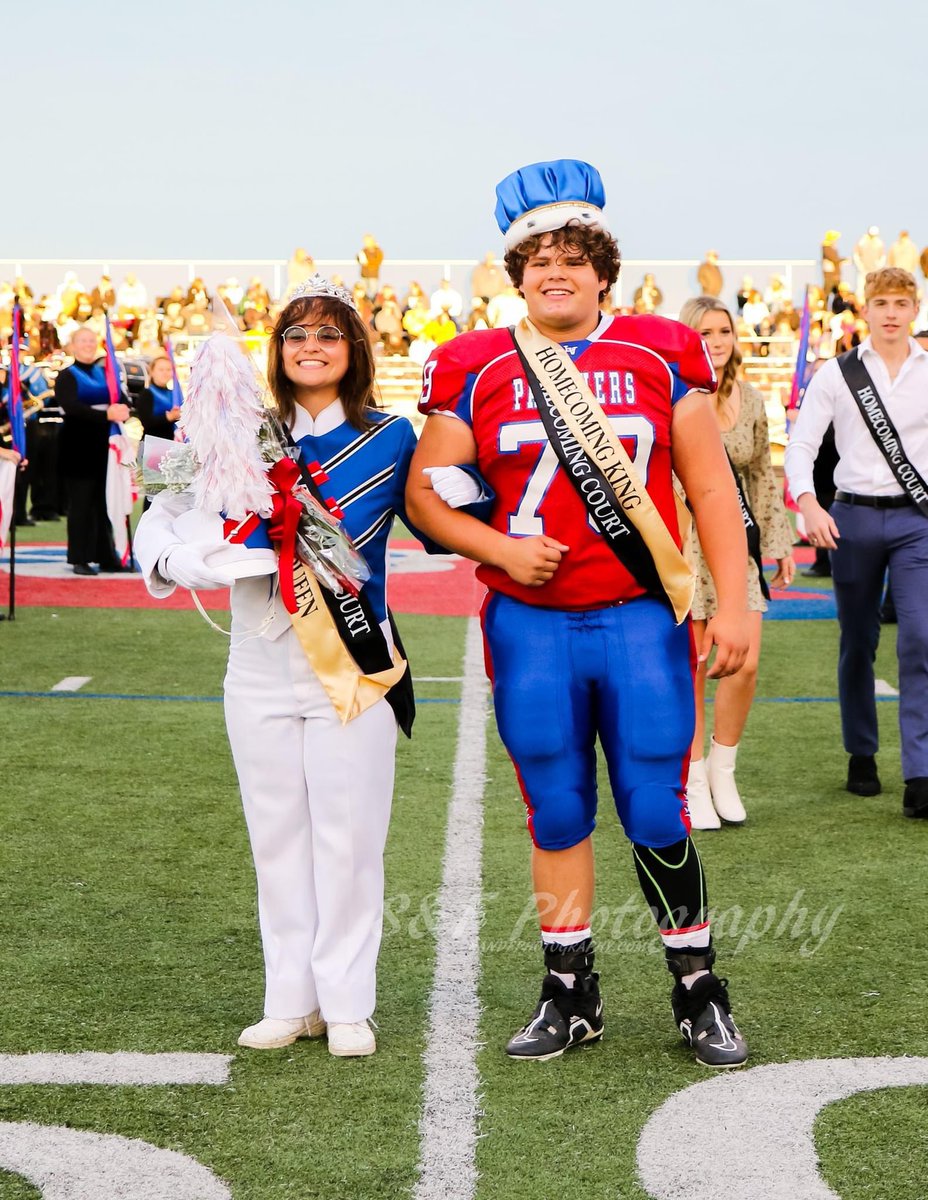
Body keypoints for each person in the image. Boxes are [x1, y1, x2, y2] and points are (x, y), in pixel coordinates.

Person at [406, 159, 751, 1068]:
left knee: (653, 803)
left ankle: (697, 985)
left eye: (573, 258)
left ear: (604, 270)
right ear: (515, 274)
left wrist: (737, 601)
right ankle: (572, 990)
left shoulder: (659, 349)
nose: (554, 273)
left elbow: (710, 486)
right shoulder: (472, 361)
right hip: (530, 619)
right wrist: (502, 550)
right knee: (555, 808)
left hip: (641, 613)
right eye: (538, 260)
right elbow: (428, 498)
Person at [136, 275, 474, 1057]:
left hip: (351, 658)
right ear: (276, 351)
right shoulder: (231, 431)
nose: (311, 347)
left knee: (350, 837)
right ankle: (289, 997)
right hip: (258, 653)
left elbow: (453, 508)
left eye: (328, 334)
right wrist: (198, 562)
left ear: (353, 350)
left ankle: (347, 1001)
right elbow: (156, 517)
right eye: (296, 335)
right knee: (276, 833)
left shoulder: (394, 437)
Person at [785, 268, 928, 818]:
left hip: (917, 522)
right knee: (858, 642)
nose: (890, 312)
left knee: (919, 640)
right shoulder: (836, 374)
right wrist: (808, 502)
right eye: (881, 303)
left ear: (914, 310)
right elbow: (801, 444)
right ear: (864, 311)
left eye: (900, 302)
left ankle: (920, 772)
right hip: (852, 520)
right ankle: (861, 753)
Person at [678, 297, 795, 829]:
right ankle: (695, 780)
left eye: (724, 330)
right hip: (685, 546)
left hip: (735, 545)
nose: (717, 340)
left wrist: (780, 544)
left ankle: (724, 767)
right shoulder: (674, 396)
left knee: (743, 664)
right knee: (696, 667)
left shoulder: (749, 400)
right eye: (704, 332)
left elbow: (762, 479)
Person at [55, 326, 130, 575]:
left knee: (104, 501)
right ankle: (79, 558)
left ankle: (106, 556)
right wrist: (106, 413)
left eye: (91, 341)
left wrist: (123, 409)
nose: (88, 345)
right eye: (82, 341)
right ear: (73, 346)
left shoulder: (105, 373)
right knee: (81, 503)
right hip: (77, 447)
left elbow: (123, 398)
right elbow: (71, 407)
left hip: (105, 447)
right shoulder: (67, 375)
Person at [135, 356, 182, 443]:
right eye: (161, 370)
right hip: (152, 444)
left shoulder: (174, 394)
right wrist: (169, 417)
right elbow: (146, 422)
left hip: (171, 444)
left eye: (168, 370)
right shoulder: (147, 393)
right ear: (152, 372)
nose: (165, 373)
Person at [356, 234, 384, 300]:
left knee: (373, 292)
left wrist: (368, 263)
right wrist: (359, 258)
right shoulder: (364, 250)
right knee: (364, 292)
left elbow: (378, 261)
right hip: (364, 274)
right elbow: (359, 259)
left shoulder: (378, 251)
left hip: (373, 275)